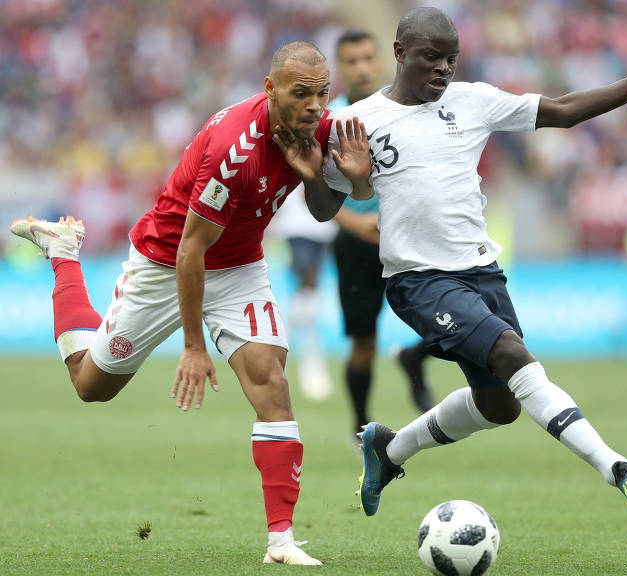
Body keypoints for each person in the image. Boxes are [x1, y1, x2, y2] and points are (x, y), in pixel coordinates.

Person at [323, 7, 627, 516]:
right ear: (400, 53)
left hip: (481, 273)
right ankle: (617, 467)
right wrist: (341, 178)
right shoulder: (359, 121)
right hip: (418, 280)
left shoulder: (473, 100)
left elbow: (564, 109)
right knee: (511, 352)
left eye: (450, 59)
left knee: (500, 406)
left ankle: (388, 451)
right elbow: (322, 207)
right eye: (431, 58)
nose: (443, 69)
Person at [10, 41, 371, 563]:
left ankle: (280, 540)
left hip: (241, 266)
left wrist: (332, 176)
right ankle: (64, 254)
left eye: (322, 93)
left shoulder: (319, 128)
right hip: (166, 262)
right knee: (90, 386)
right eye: (302, 94)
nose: (315, 105)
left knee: (272, 382)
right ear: (270, 90)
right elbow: (190, 249)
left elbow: (320, 212)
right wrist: (194, 345)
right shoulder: (235, 148)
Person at [328, 29, 436, 437]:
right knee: (364, 345)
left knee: (450, 322)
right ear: (341, 67)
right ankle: (360, 426)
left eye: (367, 58)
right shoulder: (329, 121)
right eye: (351, 60)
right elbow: (314, 197)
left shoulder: (407, 111)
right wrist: (357, 224)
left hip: (408, 237)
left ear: (383, 60)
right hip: (356, 245)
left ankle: (414, 358)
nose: (361, 67)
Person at [270, 188, 336, 402]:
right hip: (299, 227)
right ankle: (295, 361)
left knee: (308, 293)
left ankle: (285, 359)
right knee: (307, 289)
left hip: (321, 227)